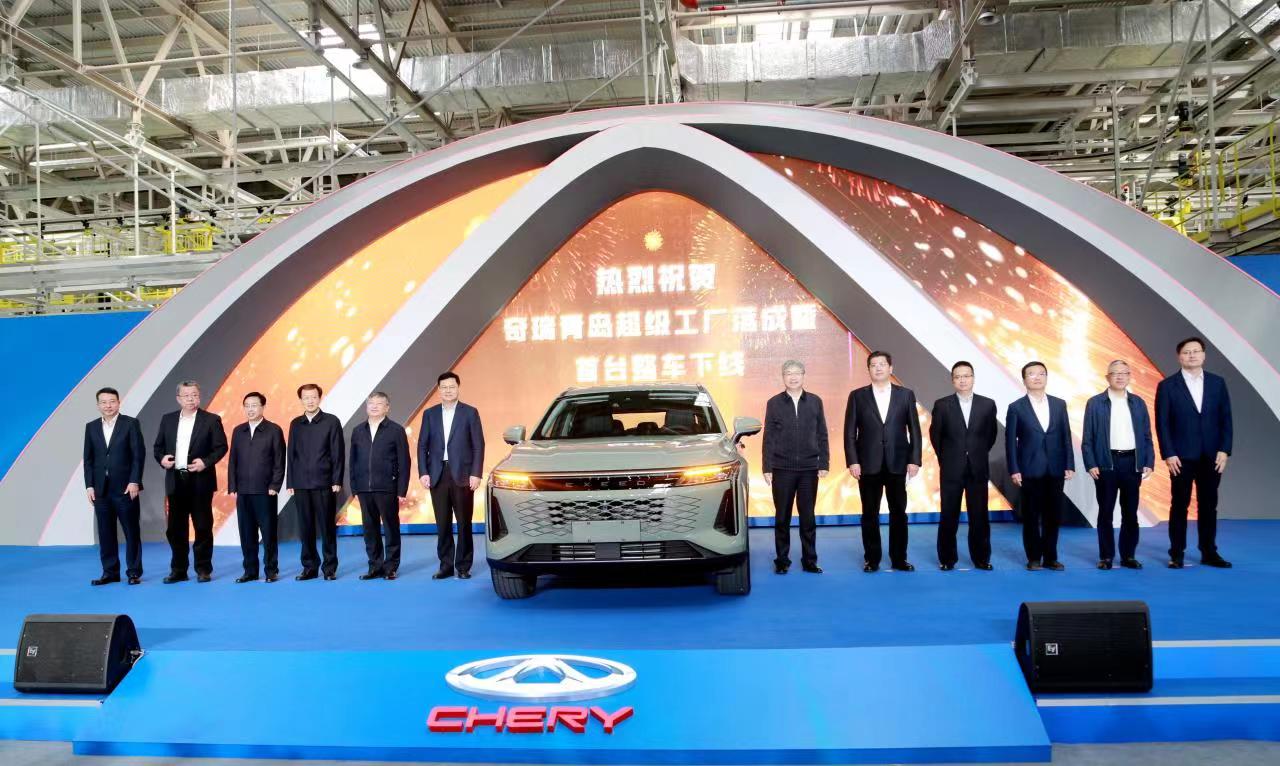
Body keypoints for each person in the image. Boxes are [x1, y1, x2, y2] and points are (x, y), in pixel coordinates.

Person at [1155, 337, 1234, 569]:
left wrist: (1224, 450)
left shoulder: (1217, 383)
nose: (1192, 355)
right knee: (1179, 505)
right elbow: (1162, 423)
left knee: (1209, 505)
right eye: (1187, 352)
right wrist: (1169, 453)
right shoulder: (1167, 385)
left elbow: (1226, 419)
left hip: (1212, 455)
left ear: (1204, 355)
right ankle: (1176, 553)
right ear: (1179, 357)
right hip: (1180, 457)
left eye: (1196, 351)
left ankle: (1209, 552)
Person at [844, 351, 922, 572]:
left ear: (890, 368)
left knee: (899, 513)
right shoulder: (857, 396)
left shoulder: (905, 395)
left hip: (898, 462)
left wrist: (914, 459)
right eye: (873, 365)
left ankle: (899, 559)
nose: (878, 368)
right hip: (867, 463)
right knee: (870, 513)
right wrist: (853, 460)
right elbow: (849, 432)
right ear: (868, 369)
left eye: (882, 364)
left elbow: (914, 430)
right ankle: (872, 559)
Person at [1082, 361, 1154, 570]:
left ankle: (1128, 556)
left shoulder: (1138, 403)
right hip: (1106, 463)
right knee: (1105, 512)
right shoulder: (1095, 403)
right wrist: (1091, 463)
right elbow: (1088, 437)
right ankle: (1106, 556)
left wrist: (1148, 461)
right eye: (1115, 373)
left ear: (1130, 376)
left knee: (1130, 513)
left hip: (1132, 463)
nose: (1120, 377)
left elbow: (1147, 436)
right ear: (1107, 377)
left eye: (1124, 373)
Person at [153, 380, 227, 583]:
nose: (191, 399)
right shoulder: (167, 420)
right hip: (176, 480)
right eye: (186, 396)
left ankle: (203, 569)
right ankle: (178, 570)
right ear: (178, 398)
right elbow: (158, 448)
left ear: (199, 396)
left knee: (202, 526)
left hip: (200, 480)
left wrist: (206, 462)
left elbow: (221, 447)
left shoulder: (211, 420)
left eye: (194, 395)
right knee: (176, 529)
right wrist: (162, 459)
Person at [928, 361, 998, 571]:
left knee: (979, 515)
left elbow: (991, 435)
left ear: (973, 378)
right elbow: (935, 436)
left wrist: (976, 453)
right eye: (958, 377)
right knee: (949, 514)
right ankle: (947, 559)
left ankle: (981, 558)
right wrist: (948, 458)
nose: (962, 380)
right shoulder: (942, 405)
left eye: (966, 376)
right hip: (951, 468)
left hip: (978, 468)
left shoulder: (987, 404)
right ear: (952, 380)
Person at [761, 360, 829, 575]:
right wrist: (767, 467)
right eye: (788, 373)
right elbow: (768, 437)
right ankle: (782, 560)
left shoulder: (815, 401)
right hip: (782, 468)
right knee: (782, 517)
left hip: (809, 469)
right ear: (783, 377)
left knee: (808, 517)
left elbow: (822, 434)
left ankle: (810, 560)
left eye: (797, 373)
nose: (793, 377)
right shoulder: (774, 403)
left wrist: (824, 462)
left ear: (803, 375)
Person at [1005, 362, 1074, 571]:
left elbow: (1066, 436)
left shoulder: (1059, 404)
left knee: (1053, 516)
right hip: (1029, 469)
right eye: (1032, 374)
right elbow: (1010, 442)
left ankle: (1051, 557)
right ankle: (1034, 557)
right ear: (1024, 379)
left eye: (1041, 373)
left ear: (1046, 377)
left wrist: (1069, 463)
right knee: (1031, 516)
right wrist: (1014, 469)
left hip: (1056, 468)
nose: (1037, 377)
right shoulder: (1016, 407)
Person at [418, 371, 485, 580]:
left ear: (458, 388)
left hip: (463, 475)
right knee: (442, 523)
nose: (448, 391)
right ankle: (445, 566)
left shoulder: (470, 412)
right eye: (444, 387)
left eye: (452, 387)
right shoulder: (429, 414)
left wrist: (476, 473)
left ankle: (463, 566)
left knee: (464, 523)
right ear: (439, 390)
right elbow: (422, 446)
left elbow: (478, 445)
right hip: (437, 475)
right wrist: (423, 472)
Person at [83, 387, 146, 585]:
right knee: (105, 533)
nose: (108, 405)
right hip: (100, 490)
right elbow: (88, 460)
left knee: (131, 531)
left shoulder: (130, 424)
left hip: (125, 488)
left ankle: (133, 572)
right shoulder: (91, 427)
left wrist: (134, 481)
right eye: (103, 402)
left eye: (112, 401)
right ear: (98, 405)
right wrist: (89, 485)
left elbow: (138, 455)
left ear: (119, 403)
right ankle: (110, 572)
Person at [349, 392, 410, 580]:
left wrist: (401, 489)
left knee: (391, 528)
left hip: (387, 487)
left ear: (387, 407)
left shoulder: (396, 430)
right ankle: (374, 566)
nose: (374, 406)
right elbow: (353, 461)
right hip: (364, 488)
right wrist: (354, 487)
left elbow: (404, 461)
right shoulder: (358, 430)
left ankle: (390, 567)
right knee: (370, 529)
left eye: (379, 403)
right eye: (371, 403)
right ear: (367, 406)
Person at [287, 383, 345, 580]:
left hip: (324, 482)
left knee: (327, 527)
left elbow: (338, 452)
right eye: (306, 398)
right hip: (301, 484)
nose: (310, 401)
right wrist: (291, 481)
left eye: (313, 397)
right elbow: (291, 454)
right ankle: (309, 567)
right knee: (306, 528)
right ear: (301, 400)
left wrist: (336, 479)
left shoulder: (331, 421)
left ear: (320, 398)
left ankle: (329, 568)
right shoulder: (296, 424)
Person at [227, 391, 286, 583]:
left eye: (254, 405)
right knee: (246, 533)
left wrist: (275, 485)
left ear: (263, 407)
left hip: (265, 491)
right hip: (243, 491)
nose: (250, 409)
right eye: (247, 406)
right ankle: (250, 571)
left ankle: (271, 570)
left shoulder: (273, 430)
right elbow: (233, 460)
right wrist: (232, 485)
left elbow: (279, 460)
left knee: (268, 533)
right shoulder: (238, 431)